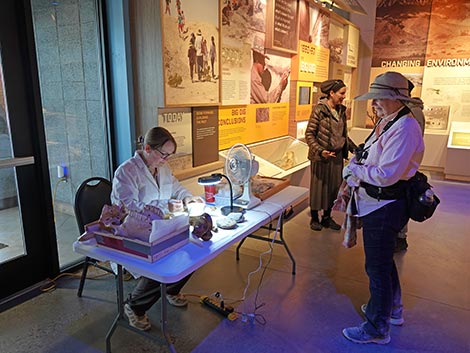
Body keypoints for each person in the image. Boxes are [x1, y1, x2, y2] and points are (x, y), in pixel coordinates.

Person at [341, 71, 425, 344]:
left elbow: (386, 174)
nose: (374, 103)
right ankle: (392, 310)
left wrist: (354, 169)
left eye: (379, 98)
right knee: (384, 263)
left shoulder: (405, 128)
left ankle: (377, 327)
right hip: (376, 203)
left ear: (395, 99)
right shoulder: (390, 122)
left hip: (385, 205)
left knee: (376, 268)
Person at [111, 126, 203, 331]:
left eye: (170, 155)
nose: (166, 160)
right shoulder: (126, 171)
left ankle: (171, 288)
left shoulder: (162, 168)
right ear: (147, 148)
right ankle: (134, 306)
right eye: (163, 155)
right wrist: (162, 209)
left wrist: (187, 197)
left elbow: (176, 187)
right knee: (164, 260)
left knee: (194, 250)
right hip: (135, 230)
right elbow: (127, 207)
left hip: (162, 225)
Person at [305, 79, 357, 231]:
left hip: (337, 156)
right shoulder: (319, 110)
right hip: (321, 157)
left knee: (333, 188)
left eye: (344, 93)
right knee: (319, 187)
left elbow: (342, 135)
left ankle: (327, 217)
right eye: (341, 93)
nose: (343, 96)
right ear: (331, 93)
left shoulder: (341, 111)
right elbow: (309, 134)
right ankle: (315, 218)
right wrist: (321, 151)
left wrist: (353, 148)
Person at [250, 35, 289, 104]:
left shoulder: (254, 76)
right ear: (258, 59)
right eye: (263, 61)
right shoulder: (254, 79)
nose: (264, 65)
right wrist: (280, 86)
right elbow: (267, 101)